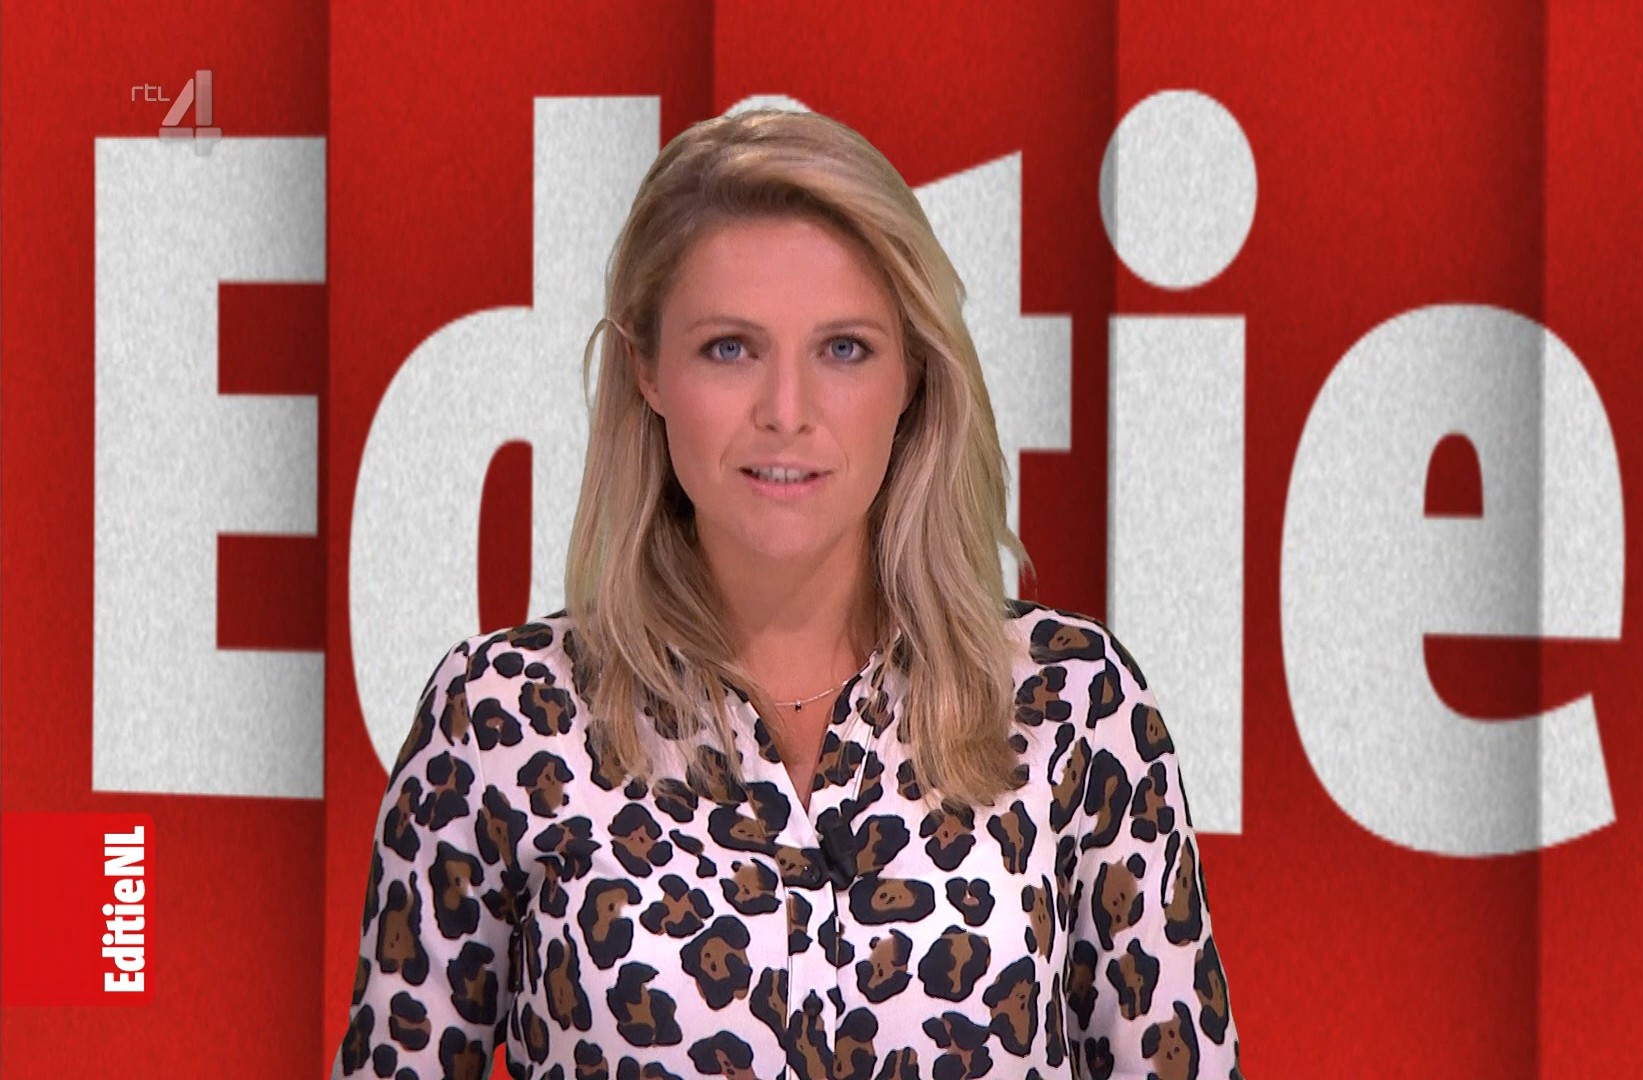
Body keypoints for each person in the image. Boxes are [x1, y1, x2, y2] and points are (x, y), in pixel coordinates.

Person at [330, 107, 1242, 1080]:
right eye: (731, 348)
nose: (787, 413)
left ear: (913, 375)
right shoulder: (502, 720)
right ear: (647, 369)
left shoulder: (1072, 709)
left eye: (843, 348)